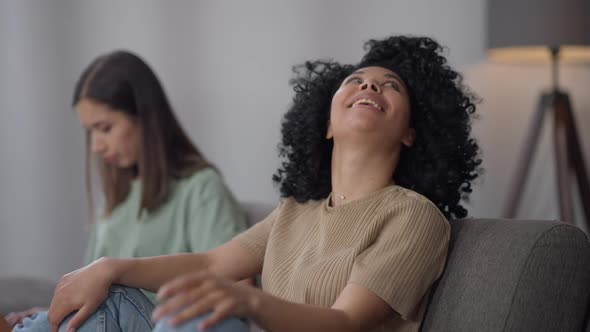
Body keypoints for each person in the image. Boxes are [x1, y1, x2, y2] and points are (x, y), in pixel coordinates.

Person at [15, 35, 481, 332]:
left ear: (411, 134)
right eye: (355, 80)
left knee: (195, 316)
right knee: (110, 302)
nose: (370, 87)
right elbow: (213, 261)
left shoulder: (415, 216)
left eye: (390, 86)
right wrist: (108, 267)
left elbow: (345, 323)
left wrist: (250, 301)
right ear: (325, 125)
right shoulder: (296, 210)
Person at [4, 51, 249, 329]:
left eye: (105, 128)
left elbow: (236, 285)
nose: (96, 146)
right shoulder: (114, 201)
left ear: (145, 118)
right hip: (114, 320)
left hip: (166, 323)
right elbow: (88, 294)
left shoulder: (202, 188)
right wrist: (47, 313)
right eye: (90, 132)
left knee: (112, 294)